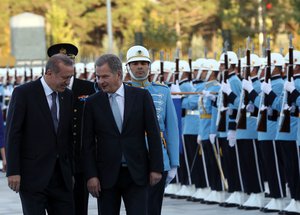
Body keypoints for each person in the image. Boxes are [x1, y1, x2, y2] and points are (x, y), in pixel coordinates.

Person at [82, 54, 164, 215]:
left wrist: (156, 168)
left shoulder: (141, 97)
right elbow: (87, 143)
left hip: (137, 173)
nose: (100, 81)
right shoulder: (92, 103)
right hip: (106, 177)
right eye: (98, 77)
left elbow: (154, 133)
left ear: (119, 74)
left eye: (105, 76)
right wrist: (91, 176)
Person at [6, 54, 75, 215]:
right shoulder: (23, 93)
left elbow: (68, 136)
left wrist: (70, 170)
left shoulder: (68, 96)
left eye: (71, 77)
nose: (68, 82)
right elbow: (13, 134)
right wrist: (13, 171)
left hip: (61, 177)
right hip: (33, 176)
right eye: (65, 77)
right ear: (49, 73)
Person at [126, 45, 179, 214]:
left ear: (149, 66)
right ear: (128, 67)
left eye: (143, 63)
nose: (140, 67)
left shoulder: (162, 91)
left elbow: (171, 128)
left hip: (158, 159)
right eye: (135, 63)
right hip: (131, 160)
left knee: (154, 209)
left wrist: (173, 163)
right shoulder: (122, 92)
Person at [47, 43, 96, 215]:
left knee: (80, 205)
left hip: (79, 156)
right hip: (55, 159)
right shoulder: (47, 87)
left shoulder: (88, 87)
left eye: (70, 59)